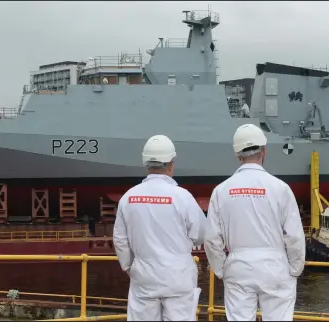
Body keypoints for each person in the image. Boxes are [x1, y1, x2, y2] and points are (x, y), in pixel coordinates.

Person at [204, 123, 306, 321]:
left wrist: (221, 269)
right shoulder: (281, 188)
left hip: (237, 267)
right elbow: (294, 236)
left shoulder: (221, 191)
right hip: (275, 267)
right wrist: (294, 269)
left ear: (237, 155)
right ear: (264, 151)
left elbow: (211, 239)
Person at [113, 134, 206, 321]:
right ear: (171, 164)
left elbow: (120, 240)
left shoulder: (128, 198)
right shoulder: (183, 197)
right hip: (178, 277)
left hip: (144, 277)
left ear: (146, 163)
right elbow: (201, 235)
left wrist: (131, 267)